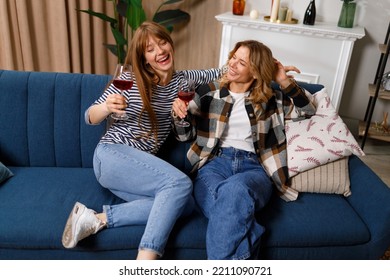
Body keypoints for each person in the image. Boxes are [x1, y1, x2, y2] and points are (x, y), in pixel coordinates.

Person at [61, 21, 221, 260]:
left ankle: (95, 219)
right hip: (111, 155)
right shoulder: (129, 80)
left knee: (185, 205)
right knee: (179, 185)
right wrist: (106, 107)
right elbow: (89, 116)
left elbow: (225, 72)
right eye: (150, 49)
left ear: (170, 44)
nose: (160, 51)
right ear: (144, 58)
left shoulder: (185, 80)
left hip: (137, 170)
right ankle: (145, 261)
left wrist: (270, 67)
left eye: (162, 42)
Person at [171, 40, 316, 259]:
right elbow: (184, 135)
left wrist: (283, 80)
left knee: (234, 191)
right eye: (233, 58)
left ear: (256, 72)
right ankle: (250, 235)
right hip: (212, 166)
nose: (232, 64)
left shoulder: (271, 100)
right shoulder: (209, 92)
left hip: (254, 169)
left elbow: (308, 110)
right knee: (232, 209)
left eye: (242, 62)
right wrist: (179, 115)